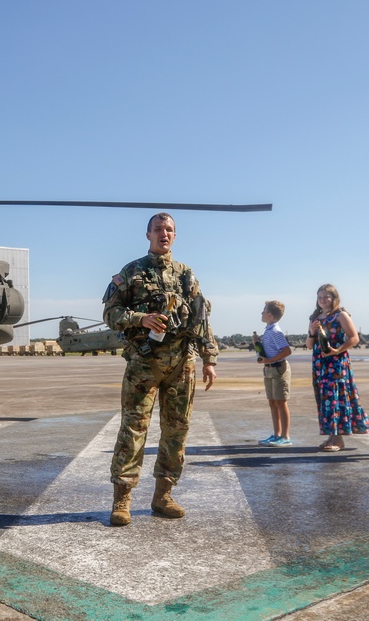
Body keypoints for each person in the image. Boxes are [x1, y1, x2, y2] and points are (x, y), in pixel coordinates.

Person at [102, 212, 218, 526]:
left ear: (175, 236)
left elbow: (201, 319)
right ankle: (122, 499)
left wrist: (210, 359)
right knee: (134, 429)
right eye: (158, 229)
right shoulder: (132, 271)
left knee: (176, 431)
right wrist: (141, 319)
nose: (163, 234)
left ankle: (163, 495)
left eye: (168, 229)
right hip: (144, 363)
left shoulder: (186, 275)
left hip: (182, 363)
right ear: (148, 235)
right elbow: (110, 313)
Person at [306, 284, 369, 451]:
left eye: (326, 296)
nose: (323, 300)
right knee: (325, 401)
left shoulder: (340, 315)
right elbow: (309, 345)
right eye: (320, 296)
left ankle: (337, 439)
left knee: (336, 398)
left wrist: (337, 350)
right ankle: (332, 436)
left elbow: (354, 338)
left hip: (336, 363)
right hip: (320, 364)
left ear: (334, 298)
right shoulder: (314, 317)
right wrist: (312, 332)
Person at [256, 300, 293, 447]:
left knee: (281, 402)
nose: (262, 313)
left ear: (270, 315)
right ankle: (277, 434)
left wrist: (269, 359)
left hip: (278, 368)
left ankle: (285, 436)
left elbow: (287, 351)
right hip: (270, 368)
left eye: (264, 310)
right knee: (272, 402)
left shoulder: (276, 331)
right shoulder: (269, 330)